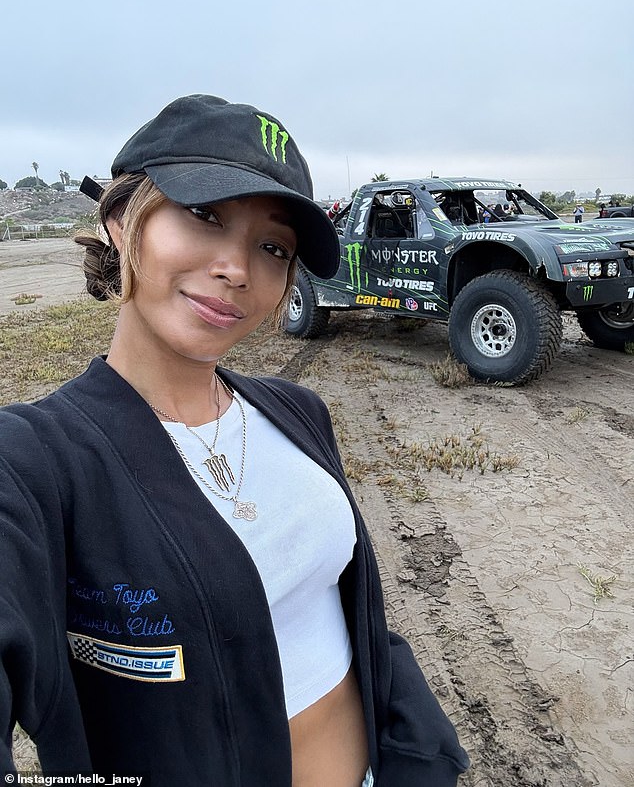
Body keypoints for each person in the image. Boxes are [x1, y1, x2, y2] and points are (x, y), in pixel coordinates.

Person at [0, 94, 469, 787]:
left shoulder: (296, 412)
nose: (237, 268)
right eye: (204, 214)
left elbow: (349, 613)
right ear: (121, 218)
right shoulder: (35, 462)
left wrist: (418, 752)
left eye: (272, 246)